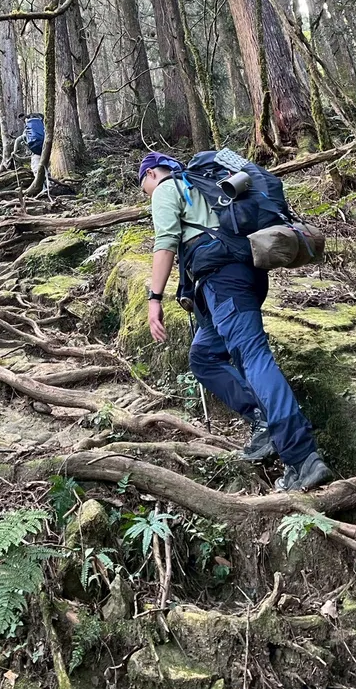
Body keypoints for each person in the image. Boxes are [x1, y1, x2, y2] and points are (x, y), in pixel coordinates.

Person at [138, 151, 332, 492]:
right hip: (242, 278)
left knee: (254, 358)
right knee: (204, 357)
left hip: (224, 284)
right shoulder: (206, 187)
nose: (148, 196)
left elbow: (165, 244)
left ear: (153, 173)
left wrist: (155, 299)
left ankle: (302, 457)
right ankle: (262, 420)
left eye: (145, 189)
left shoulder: (170, 188)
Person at [12, 113, 50, 195]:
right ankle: (49, 185)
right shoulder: (42, 127)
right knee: (46, 168)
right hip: (46, 150)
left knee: (37, 170)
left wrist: (14, 152)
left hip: (36, 153)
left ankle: (44, 189)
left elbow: (18, 140)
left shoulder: (28, 130)